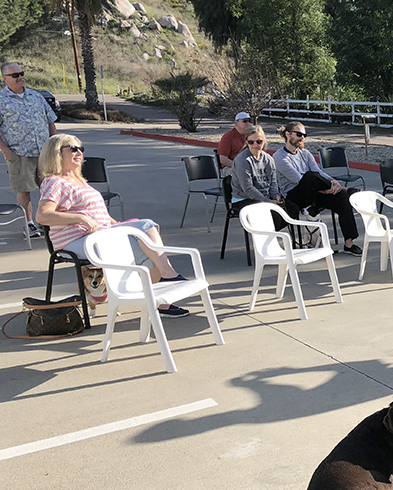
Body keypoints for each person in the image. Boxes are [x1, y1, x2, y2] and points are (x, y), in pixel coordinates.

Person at [35, 134, 189, 318]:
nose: (79, 153)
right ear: (56, 154)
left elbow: (100, 215)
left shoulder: (81, 181)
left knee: (146, 233)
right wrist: (80, 218)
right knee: (145, 246)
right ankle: (166, 285)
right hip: (75, 241)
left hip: (99, 235)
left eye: (81, 149)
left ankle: (164, 297)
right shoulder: (54, 181)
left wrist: (120, 226)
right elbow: (43, 216)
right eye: (73, 149)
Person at [272, 121, 362, 255]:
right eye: (299, 134)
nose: (302, 138)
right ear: (288, 134)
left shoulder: (305, 153)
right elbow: (298, 180)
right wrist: (327, 189)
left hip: (314, 191)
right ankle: (346, 189)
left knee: (343, 199)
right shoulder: (279, 157)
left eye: (304, 135)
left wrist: (332, 181)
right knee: (309, 176)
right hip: (294, 196)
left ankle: (349, 243)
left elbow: (319, 172)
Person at [0, 62, 58, 239]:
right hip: (20, 153)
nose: (20, 77)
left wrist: (54, 145)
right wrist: (7, 152)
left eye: (21, 73)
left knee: (50, 189)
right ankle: (30, 224)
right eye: (15, 75)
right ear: (5, 78)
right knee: (24, 191)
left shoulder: (35, 96)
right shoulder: (1, 100)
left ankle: (47, 222)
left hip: (44, 153)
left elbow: (50, 121)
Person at [218, 112, 252, 177]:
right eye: (245, 121)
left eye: (249, 121)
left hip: (250, 166)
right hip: (231, 167)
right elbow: (223, 159)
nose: (248, 123)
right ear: (236, 123)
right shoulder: (228, 137)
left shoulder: (252, 136)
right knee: (241, 174)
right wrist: (239, 166)